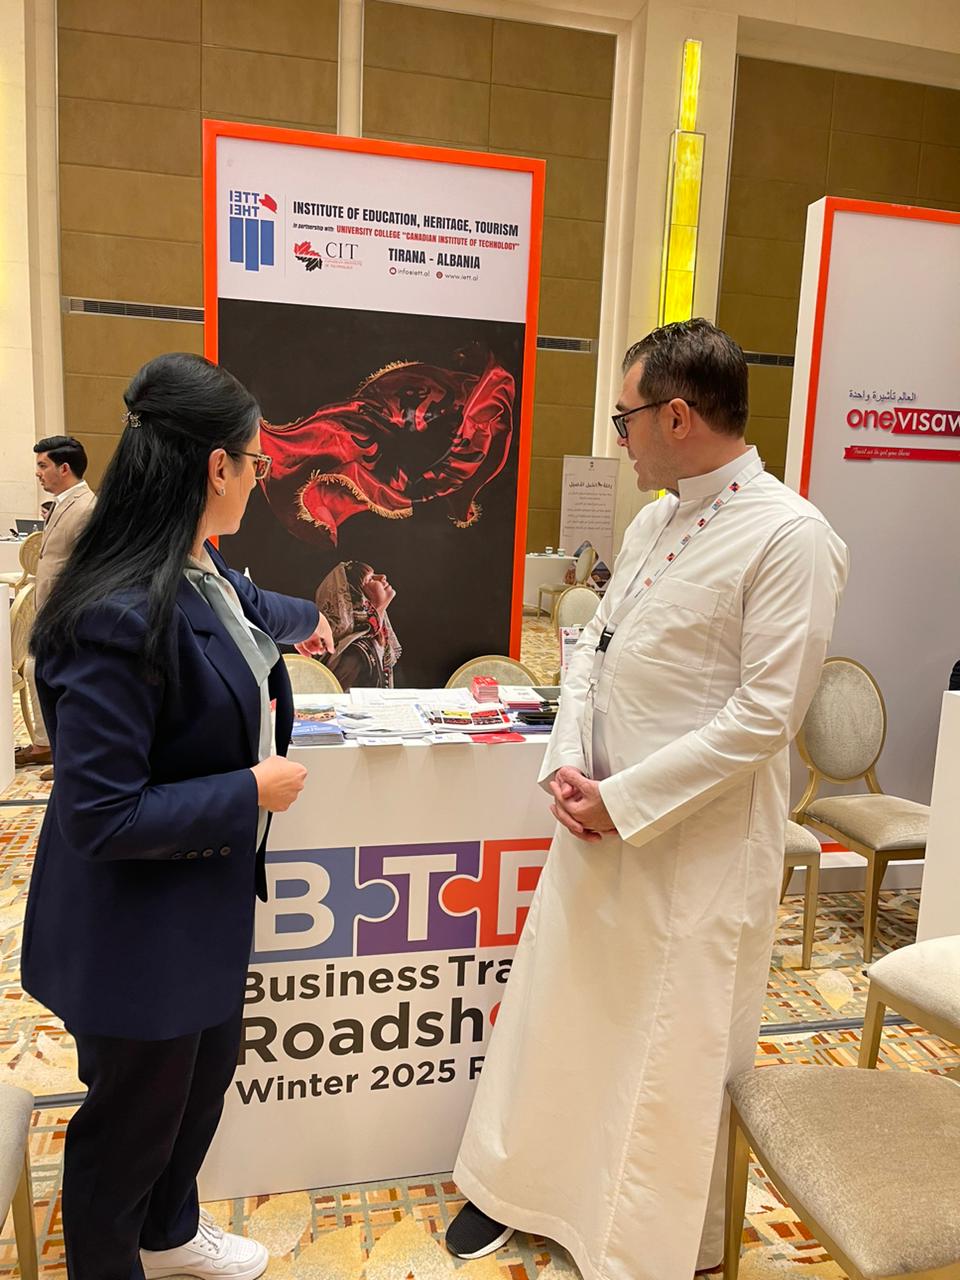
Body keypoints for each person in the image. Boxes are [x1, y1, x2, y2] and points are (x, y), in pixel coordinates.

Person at [447, 319, 849, 1279]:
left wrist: (623, 800)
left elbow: (766, 717)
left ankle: (634, 1241)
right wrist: (568, 763)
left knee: (668, 1045)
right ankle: (520, 1187)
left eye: (624, 418)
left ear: (676, 416)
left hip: (693, 850)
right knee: (565, 1012)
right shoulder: (649, 521)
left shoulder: (791, 537)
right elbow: (594, 649)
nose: (618, 437)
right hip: (594, 822)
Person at [23, 353, 334, 1280]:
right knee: (130, 1126)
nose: (261, 479)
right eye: (257, 462)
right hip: (135, 927)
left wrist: (315, 619)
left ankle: (168, 1234)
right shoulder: (117, 613)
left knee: (200, 1083)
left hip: (199, 904)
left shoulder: (201, 563)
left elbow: (252, 610)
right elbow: (101, 814)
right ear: (216, 467)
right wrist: (251, 790)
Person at [15, 435, 96, 776]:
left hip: (68, 617)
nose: (38, 473)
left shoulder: (87, 507)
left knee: (64, 687)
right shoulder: (64, 503)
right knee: (39, 674)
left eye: (42, 465)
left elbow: (88, 569)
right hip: (52, 614)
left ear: (64, 468)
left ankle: (64, 757)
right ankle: (50, 748)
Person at [314, 559, 401, 689]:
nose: (382, 577)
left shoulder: (377, 639)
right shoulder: (354, 654)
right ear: (359, 599)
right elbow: (336, 695)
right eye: (370, 579)